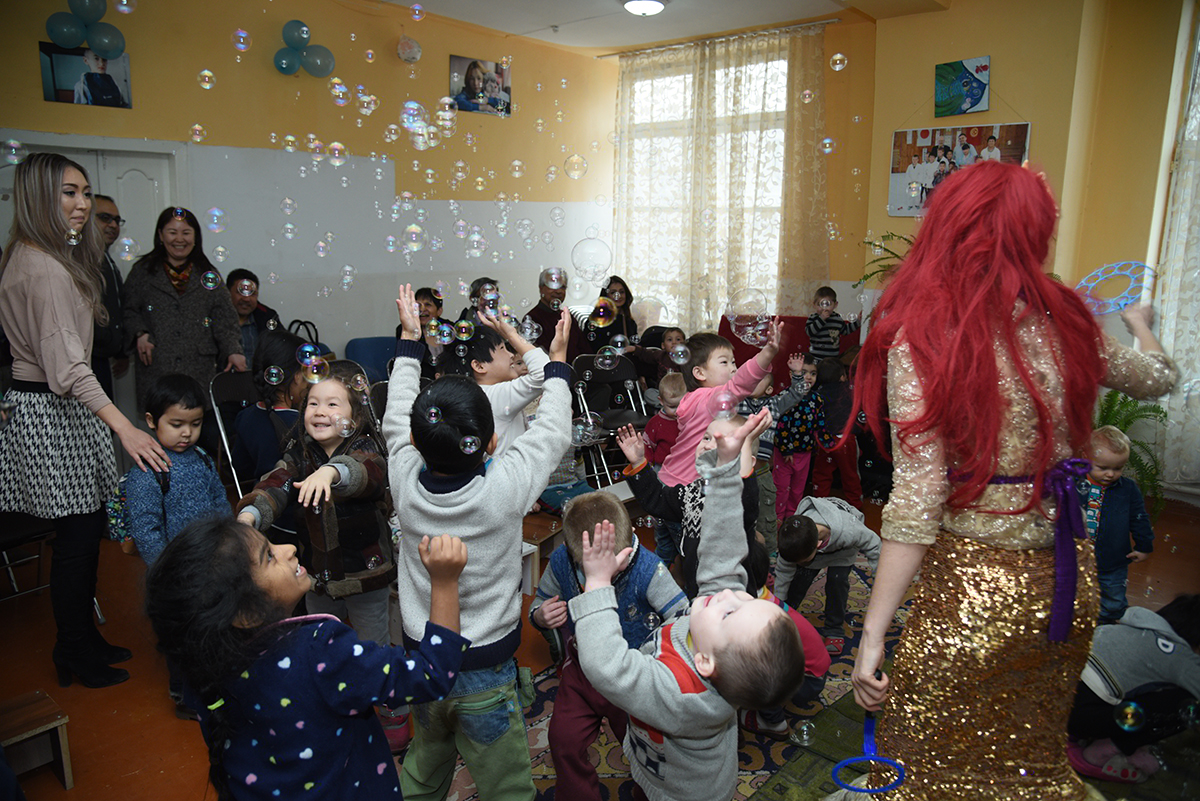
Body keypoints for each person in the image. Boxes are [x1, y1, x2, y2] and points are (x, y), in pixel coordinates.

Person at [848, 161, 1178, 799]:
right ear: (1036, 233)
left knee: (923, 761)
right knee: (1028, 757)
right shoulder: (1069, 325)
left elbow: (917, 497)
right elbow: (1158, 379)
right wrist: (1141, 327)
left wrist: (871, 635)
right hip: (1065, 584)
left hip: (972, 593)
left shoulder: (926, 335)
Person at [385, 285, 573, 801]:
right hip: (487, 670)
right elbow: (552, 432)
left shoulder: (403, 477)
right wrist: (555, 362)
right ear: (491, 442)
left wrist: (410, 342)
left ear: (416, 440)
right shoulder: (504, 489)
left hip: (423, 659)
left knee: (425, 764)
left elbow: (396, 416)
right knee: (505, 785)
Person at [143, 517, 469, 801]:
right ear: (244, 614)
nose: (288, 548)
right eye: (269, 556)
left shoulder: (201, 669)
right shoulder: (320, 652)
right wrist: (444, 581)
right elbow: (431, 673)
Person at [570, 409, 805, 801]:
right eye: (747, 596)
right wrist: (725, 469)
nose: (730, 593)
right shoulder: (717, 635)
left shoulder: (681, 694)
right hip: (656, 759)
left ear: (705, 663)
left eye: (730, 610)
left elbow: (608, 667)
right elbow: (725, 542)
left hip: (678, 792)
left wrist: (596, 582)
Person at [0, 152, 168, 688]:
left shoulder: (37, 254)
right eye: (68, 193)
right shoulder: (44, 267)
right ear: (37, 197)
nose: (82, 204)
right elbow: (69, 368)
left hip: (61, 409)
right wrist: (124, 426)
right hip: (52, 412)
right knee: (75, 540)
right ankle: (72, 650)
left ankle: (83, 639)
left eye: (85, 192)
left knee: (86, 530)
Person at [529, 491, 687, 801]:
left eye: (613, 565)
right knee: (563, 740)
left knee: (646, 751)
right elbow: (539, 601)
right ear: (574, 552)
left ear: (627, 547)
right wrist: (540, 616)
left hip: (631, 677)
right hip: (582, 672)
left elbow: (683, 619)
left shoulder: (649, 569)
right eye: (591, 568)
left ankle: (648, 793)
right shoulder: (561, 560)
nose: (602, 574)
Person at [236, 361, 393, 648]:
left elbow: (366, 473)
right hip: (316, 574)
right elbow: (276, 484)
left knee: (372, 645)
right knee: (321, 643)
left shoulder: (366, 449)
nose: (320, 411)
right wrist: (250, 515)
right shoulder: (300, 454)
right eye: (312, 403)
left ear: (355, 416)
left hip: (366, 575)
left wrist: (331, 472)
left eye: (332, 404)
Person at [124, 374, 229, 718]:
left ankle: (213, 685)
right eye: (177, 424)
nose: (187, 433)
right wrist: (165, 570)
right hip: (177, 573)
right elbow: (146, 529)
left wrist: (229, 538)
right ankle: (183, 694)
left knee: (212, 628)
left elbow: (219, 498)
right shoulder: (147, 471)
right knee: (184, 636)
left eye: (195, 424)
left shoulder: (202, 457)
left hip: (211, 561)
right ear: (151, 421)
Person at [122, 206, 246, 419]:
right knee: (163, 425)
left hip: (198, 369)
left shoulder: (208, 273)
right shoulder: (142, 272)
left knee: (197, 425)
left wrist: (233, 350)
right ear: (161, 235)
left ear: (195, 237)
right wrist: (139, 333)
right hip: (157, 367)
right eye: (172, 232)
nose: (179, 239)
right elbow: (128, 310)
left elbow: (225, 319)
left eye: (186, 233)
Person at [616, 417, 761, 598]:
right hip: (698, 593)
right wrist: (638, 462)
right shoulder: (693, 491)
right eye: (706, 438)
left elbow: (744, 491)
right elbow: (659, 499)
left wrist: (746, 442)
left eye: (723, 444)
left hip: (733, 601)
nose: (708, 446)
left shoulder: (737, 498)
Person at [1067, 594, 1200, 784]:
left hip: (1055, 705)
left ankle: (1076, 734)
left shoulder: (1126, 626)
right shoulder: (1179, 656)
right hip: (1080, 717)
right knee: (1185, 702)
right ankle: (1101, 753)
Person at [657, 322, 782, 490]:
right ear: (700, 373)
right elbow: (741, 383)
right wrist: (768, 352)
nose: (733, 369)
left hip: (671, 476)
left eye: (733, 362)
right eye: (724, 362)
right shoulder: (709, 399)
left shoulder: (692, 399)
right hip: (685, 484)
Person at [774, 503, 880, 655]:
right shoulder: (795, 538)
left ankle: (834, 630)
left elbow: (875, 547)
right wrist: (778, 606)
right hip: (810, 550)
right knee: (798, 582)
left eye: (801, 561)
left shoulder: (850, 531)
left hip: (843, 549)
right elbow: (783, 573)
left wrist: (879, 582)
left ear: (817, 545)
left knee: (837, 583)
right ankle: (785, 620)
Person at [737, 353, 811, 557]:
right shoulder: (736, 402)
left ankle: (768, 554)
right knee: (738, 513)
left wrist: (797, 373)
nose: (752, 381)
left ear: (769, 389)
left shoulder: (774, 404)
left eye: (758, 380)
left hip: (761, 472)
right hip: (736, 471)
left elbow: (797, 394)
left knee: (766, 514)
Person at [455, 311, 559, 458]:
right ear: (479, 366)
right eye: (502, 349)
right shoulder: (491, 396)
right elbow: (544, 372)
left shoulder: (478, 394)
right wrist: (512, 335)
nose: (511, 355)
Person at [1077, 426, 1153, 624]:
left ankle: (1107, 625)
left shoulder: (1128, 489)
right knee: (1075, 593)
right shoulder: (1073, 484)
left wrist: (1144, 546)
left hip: (1113, 559)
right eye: (1102, 468)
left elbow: (1139, 518)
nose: (1110, 474)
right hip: (1076, 557)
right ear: (1085, 457)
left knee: (1113, 598)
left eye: (1118, 468)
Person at [231, 329, 308, 481]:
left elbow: (240, 466)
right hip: (298, 494)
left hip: (262, 491)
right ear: (297, 377)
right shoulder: (302, 423)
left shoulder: (245, 416)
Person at [809, 358, 864, 509]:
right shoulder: (849, 391)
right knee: (850, 474)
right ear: (842, 377)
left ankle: (819, 504)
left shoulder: (817, 394)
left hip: (824, 439)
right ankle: (855, 504)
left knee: (821, 473)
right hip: (845, 438)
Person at [773, 354, 821, 522]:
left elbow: (819, 423)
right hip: (785, 453)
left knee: (798, 489)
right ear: (792, 374)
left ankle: (791, 518)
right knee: (781, 488)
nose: (808, 377)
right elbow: (780, 425)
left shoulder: (816, 398)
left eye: (813, 373)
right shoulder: (786, 396)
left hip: (805, 452)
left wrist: (823, 443)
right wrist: (786, 449)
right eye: (804, 372)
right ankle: (777, 519)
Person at [90, 194, 129, 399]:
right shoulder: (79, 260)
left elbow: (117, 308)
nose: (113, 225)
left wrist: (120, 351)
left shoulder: (107, 260)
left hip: (102, 358)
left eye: (117, 220)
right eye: (105, 218)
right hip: (86, 361)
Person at [523, 266, 591, 363]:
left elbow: (585, 350)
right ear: (541, 289)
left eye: (562, 287)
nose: (559, 291)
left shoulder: (567, 316)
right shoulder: (532, 318)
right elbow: (541, 357)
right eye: (553, 286)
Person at [395, 286, 453, 383]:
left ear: (439, 311)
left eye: (428, 305)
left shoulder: (449, 328)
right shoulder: (405, 329)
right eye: (418, 305)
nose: (422, 309)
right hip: (420, 382)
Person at [224, 269, 280, 370]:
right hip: (223, 377)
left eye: (252, 294)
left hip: (259, 378)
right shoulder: (216, 317)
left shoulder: (267, 316)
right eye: (241, 292)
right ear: (227, 292)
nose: (246, 299)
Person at [805, 287, 861, 362]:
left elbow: (845, 330)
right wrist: (821, 319)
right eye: (820, 304)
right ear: (814, 305)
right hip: (816, 358)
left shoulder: (837, 318)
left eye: (828, 304)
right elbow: (809, 332)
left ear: (835, 305)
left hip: (832, 359)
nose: (824, 308)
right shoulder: (813, 318)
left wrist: (858, 322)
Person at [591, 274, 639, 350]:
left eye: (622, 292)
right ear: (606, 296)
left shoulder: (629, 322)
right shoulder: (597, 320)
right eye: (613, 292)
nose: (618, 296)